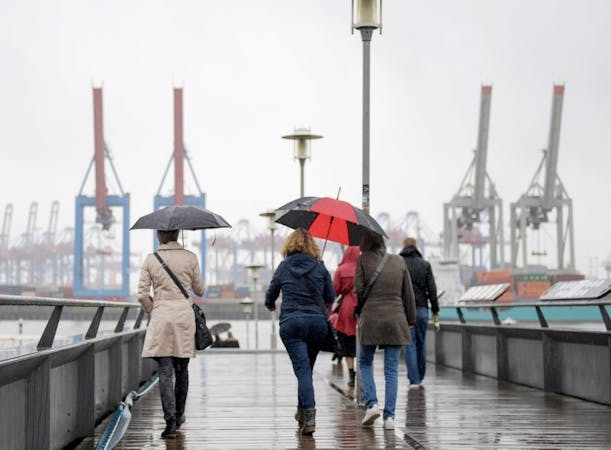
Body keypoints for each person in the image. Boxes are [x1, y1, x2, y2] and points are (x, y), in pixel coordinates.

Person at [265, 228, 335, 435]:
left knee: (303, 371)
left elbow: (271, 293)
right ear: (311, 245)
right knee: (306, 370)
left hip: (292, 323)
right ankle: (302, 411)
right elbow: (330, 297)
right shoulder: (320, 267)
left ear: (289, 245)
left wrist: (270, 305)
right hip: (316, 324)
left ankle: (309, 416)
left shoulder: (283, 266)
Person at [137, 229, 205, 439]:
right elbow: (199, 290)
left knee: (165, 371)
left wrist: (152, 310)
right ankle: (180, 413)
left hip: (161, 318)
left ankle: (170, 423)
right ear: (177, 234)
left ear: (159, 235)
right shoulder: (191, 257)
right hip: (184, 318)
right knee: (182, 369)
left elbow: (141, 294)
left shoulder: (151, 259)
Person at [355, 230, 416, 430]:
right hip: (396, 320)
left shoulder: (362, 261)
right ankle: (389, 418)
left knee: (365, 362)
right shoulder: (399, 261)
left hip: (371, 319)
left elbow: (359, 292)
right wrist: (411, 320)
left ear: (367, 242)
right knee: (391, 370)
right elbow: (408, 294)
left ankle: (372, 404)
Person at [399, 237, 439, 387]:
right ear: (416, 247)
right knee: (421, 343)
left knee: (410, 344)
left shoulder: (399, 263)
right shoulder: (425, 265)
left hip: (405, 309)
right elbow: (432, 289)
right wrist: (435, 310)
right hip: (422, 309)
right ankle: (420, 376)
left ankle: (414, 379)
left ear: (404, 246)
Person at [332, 246, 360, 387]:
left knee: (346, 341)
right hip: (362, 306)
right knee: (361, 341)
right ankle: (362, 370)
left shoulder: (341, 270)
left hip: (347, 308)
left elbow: (334, 291)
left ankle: (351, 373)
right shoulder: (363, 268)